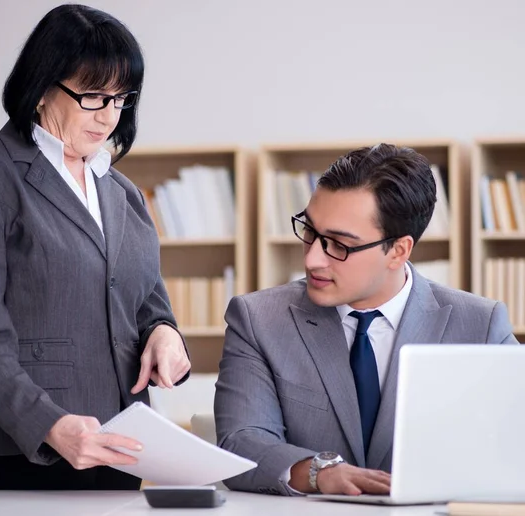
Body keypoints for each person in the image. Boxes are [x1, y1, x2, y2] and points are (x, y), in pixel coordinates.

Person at [0, 4, 190, 490]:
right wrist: (50, 425)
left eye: (121, 99)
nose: (109, 116)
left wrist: (165, 336)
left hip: (122, 448)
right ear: (42, 86)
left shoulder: (124, 192)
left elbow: (149, 307)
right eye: (93, 96)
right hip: (30, 451)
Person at [214, 144, 518, 496]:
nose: (312, 259)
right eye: (310, 232)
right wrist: (318, 472)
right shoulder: (258, 319)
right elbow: (241, 442)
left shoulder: (480, 326)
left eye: (339, 245)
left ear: (398, 250)